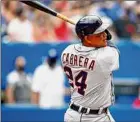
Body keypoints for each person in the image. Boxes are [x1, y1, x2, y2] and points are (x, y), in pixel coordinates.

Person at [61, 15, 119, 122]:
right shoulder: (105, 57)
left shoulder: (67, 51)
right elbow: (113, 46)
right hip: (97, 118)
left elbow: (84, 47)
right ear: (87, 38)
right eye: (99, 34)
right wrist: (107, 36)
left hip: (72, 115)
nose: (105, 35)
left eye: (104, 32)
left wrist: (88, 34)